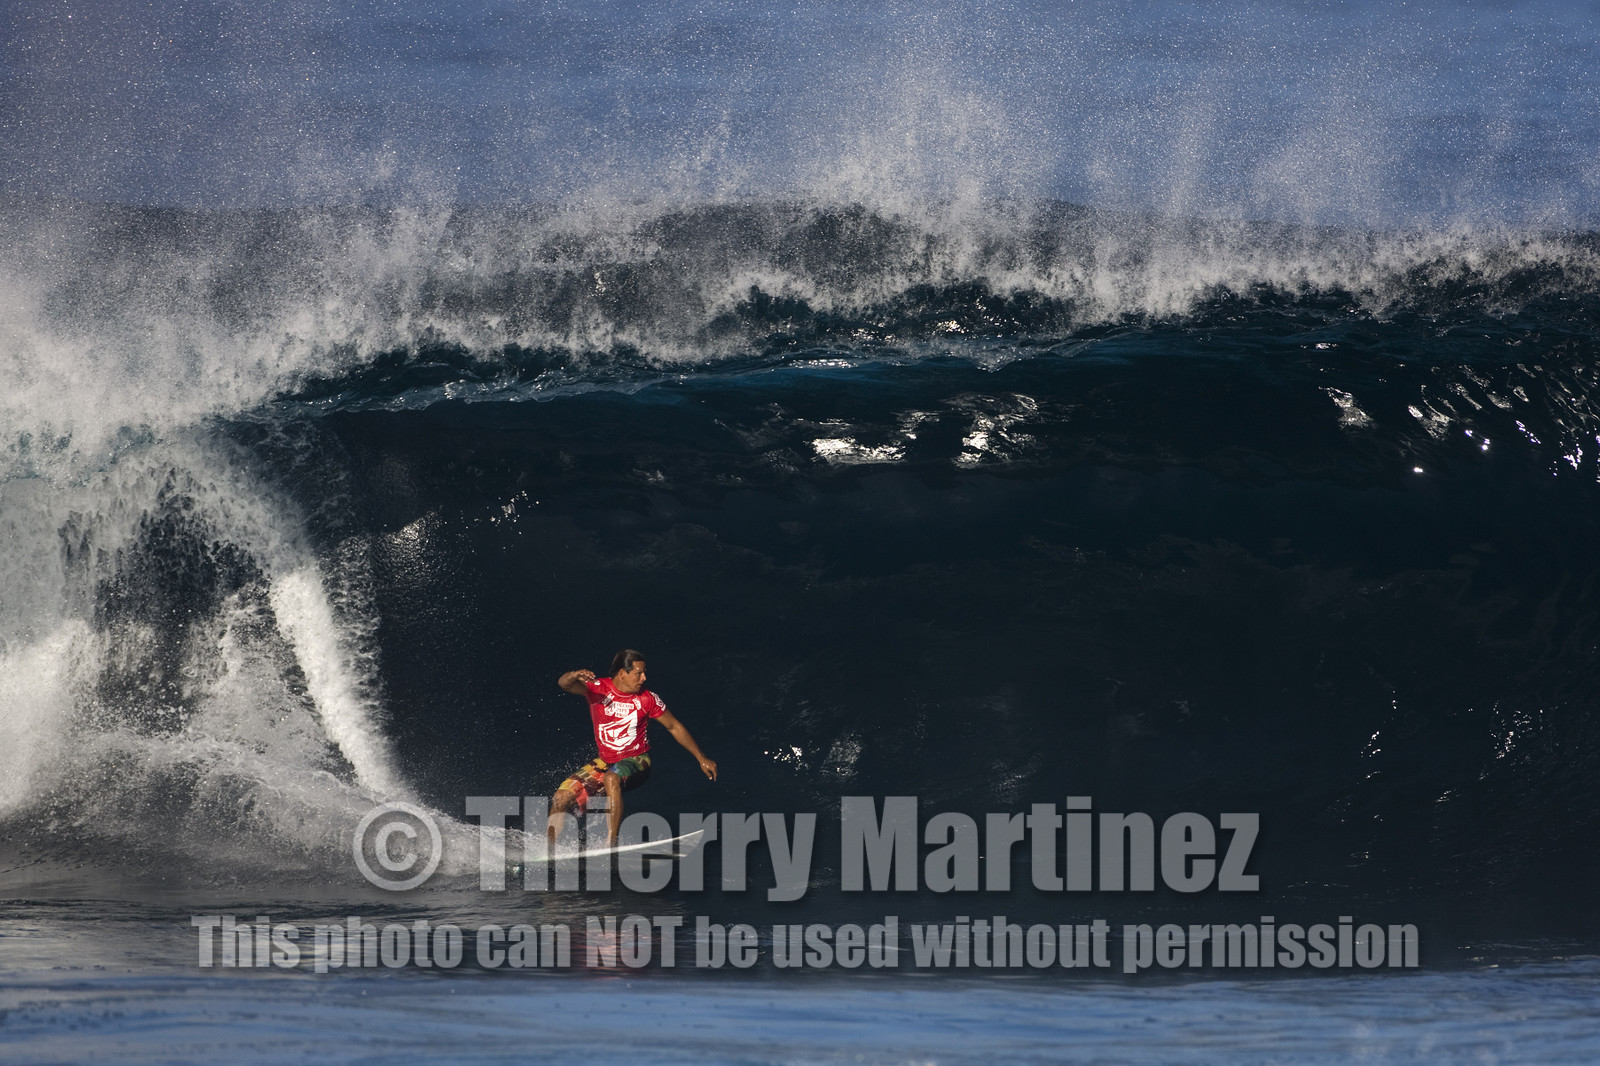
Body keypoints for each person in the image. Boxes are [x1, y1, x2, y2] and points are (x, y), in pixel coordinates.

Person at [547, 649, 717, 849]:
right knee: (561, 797)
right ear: (622, 673)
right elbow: (564, 684)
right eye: (639, 673)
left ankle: (611, 845)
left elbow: (674, 727)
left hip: (638, 761)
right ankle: (548, 853)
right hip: (605, 762)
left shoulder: (648, 699)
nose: (644, 678)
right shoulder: (598, 689)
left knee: (612, 778)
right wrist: (574, 674)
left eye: (644, 672)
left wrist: (701, 757)